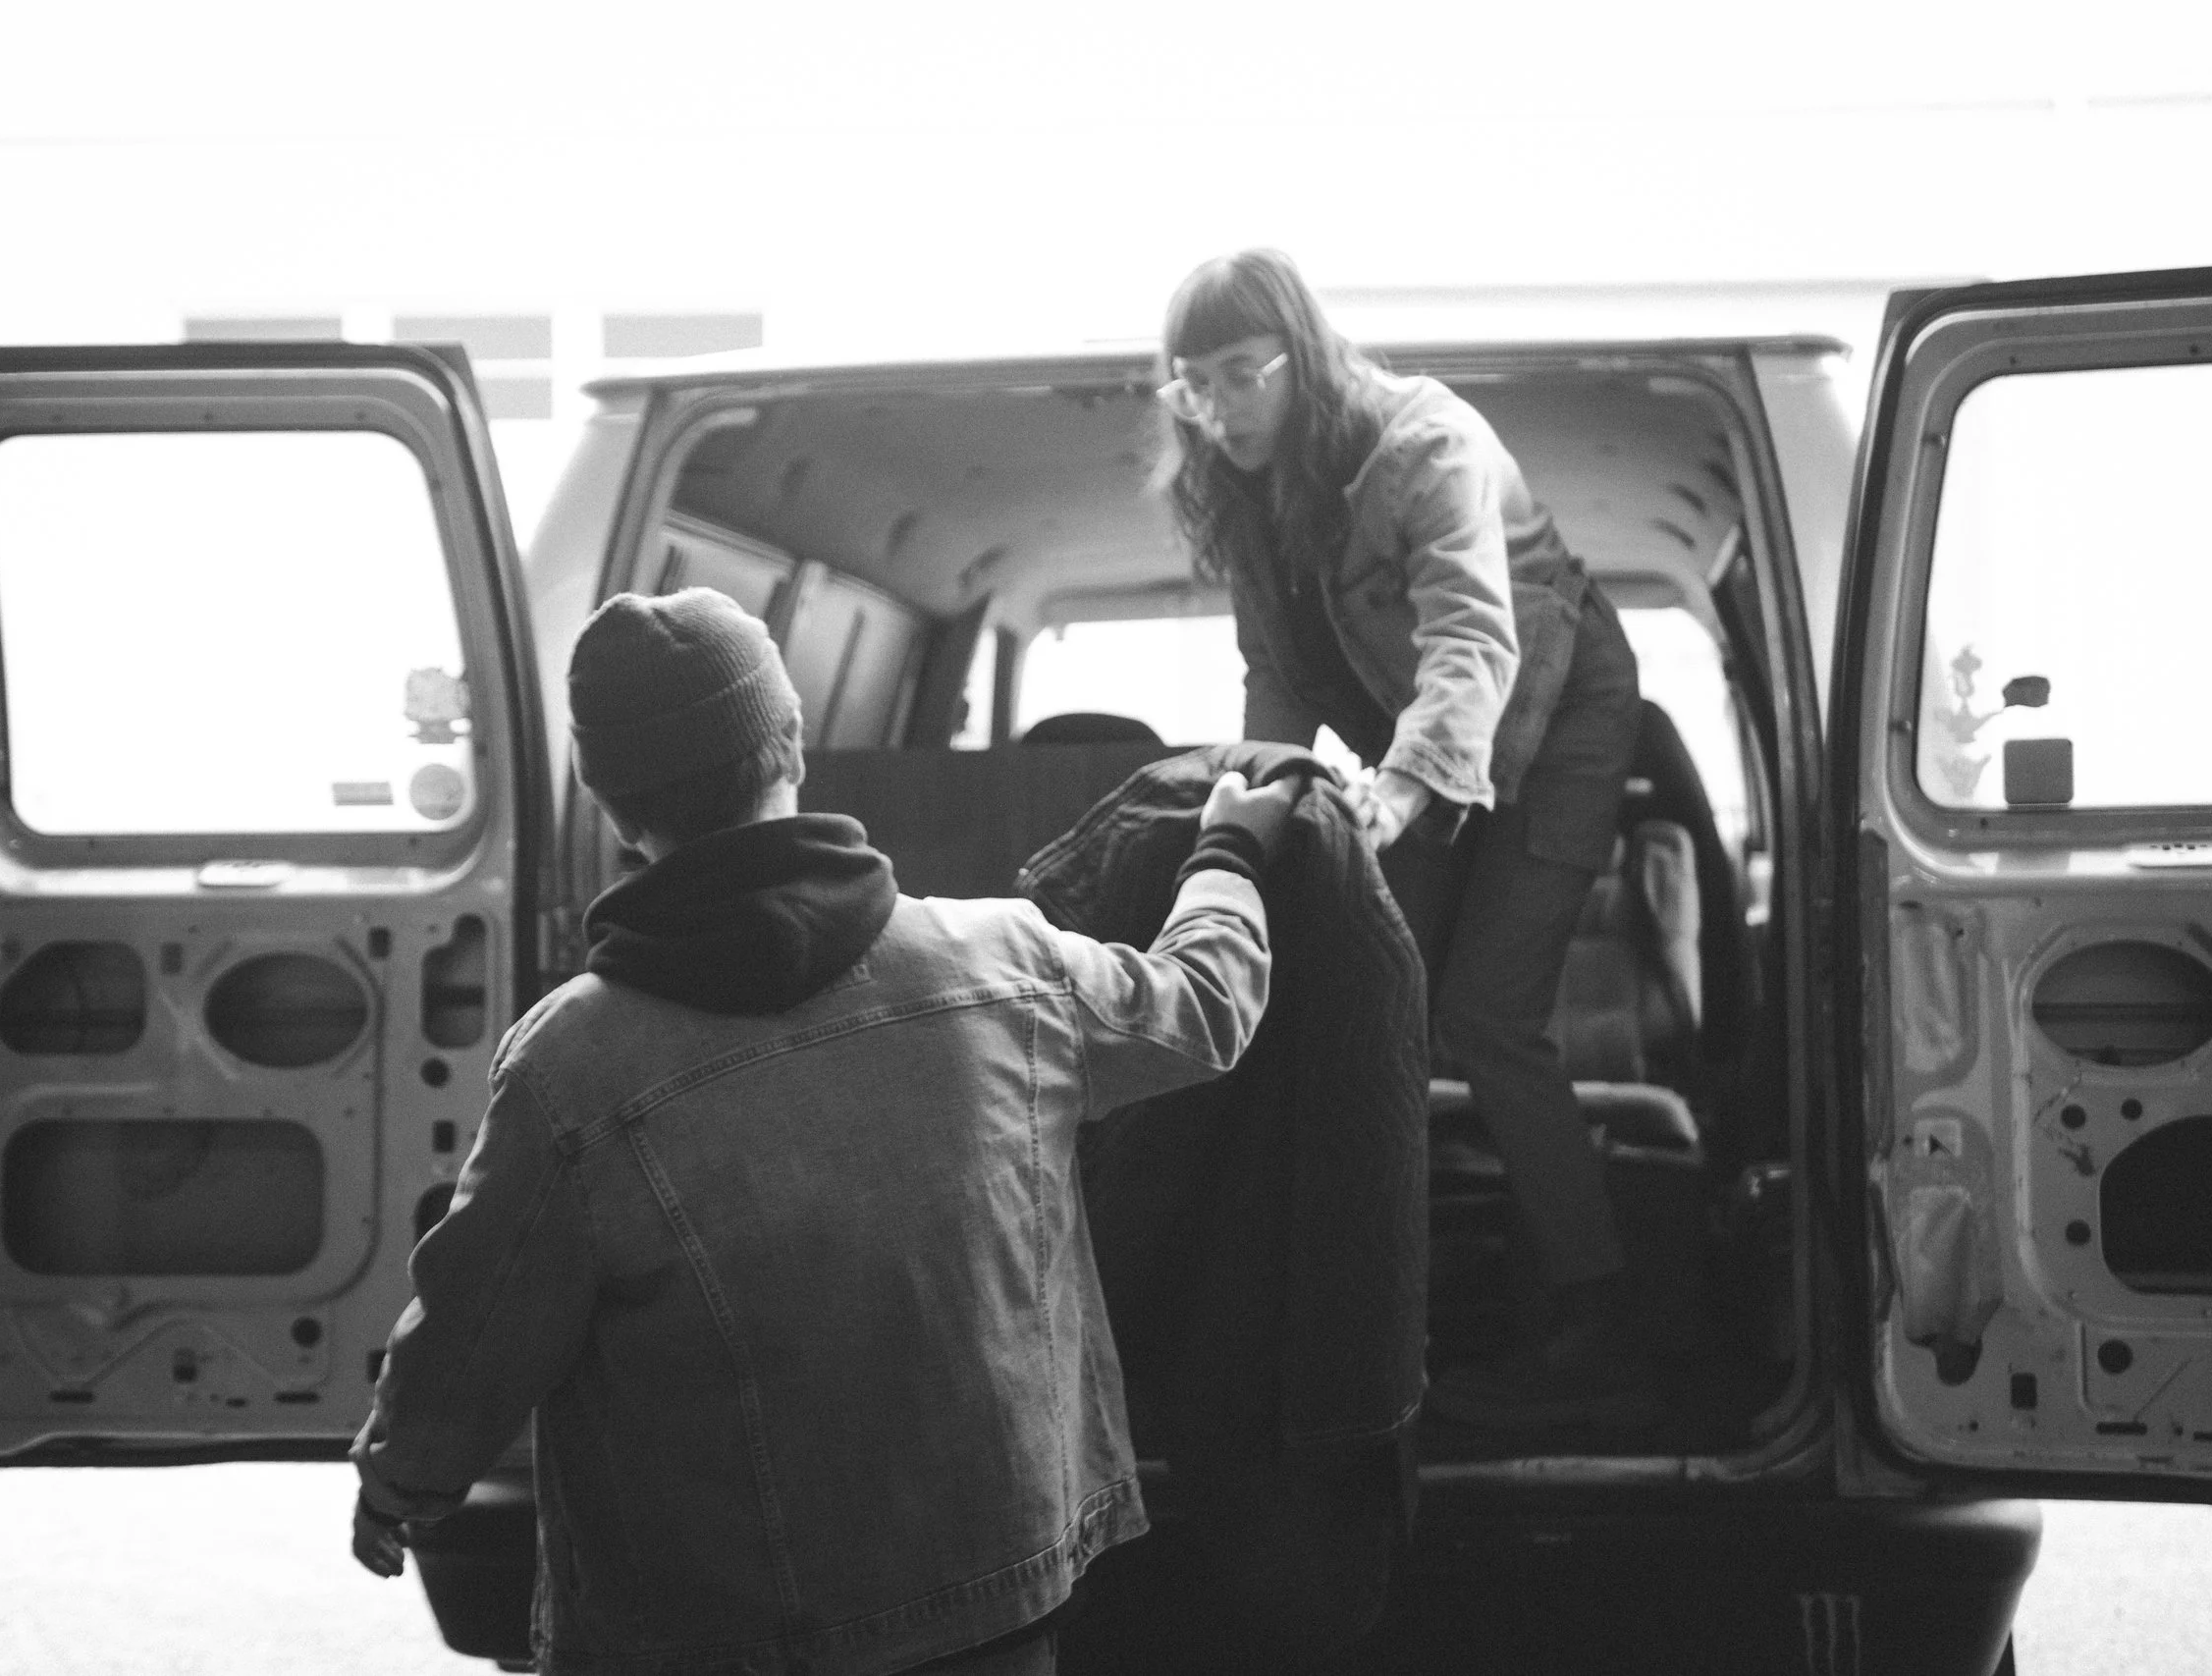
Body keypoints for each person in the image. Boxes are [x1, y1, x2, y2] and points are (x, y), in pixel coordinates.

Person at [348, 586, 1302, 1676]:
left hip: (723, 1630)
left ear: (611, 804)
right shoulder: (1007, 965)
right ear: (791, 738)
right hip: (1000, 1585)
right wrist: (1228, 851)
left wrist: (400, 1483)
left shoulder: (572, 1065)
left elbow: (477, 1330)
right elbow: (1205, 1007)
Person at [1155, 249, 1651, 1430]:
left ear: (1303, 358)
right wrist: (1252, 815)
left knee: (1487, 1013)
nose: (1218, 410)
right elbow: (1274, 678)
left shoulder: (1427, 447)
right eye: (1192, 386)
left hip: (1560, 709)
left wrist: (1394, 798)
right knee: (1375, 993)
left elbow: (1471, 649)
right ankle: (1387, 1315)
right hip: (1424, 743)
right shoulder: (1240, 493)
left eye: (1239, 374)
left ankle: (1603, 1323)